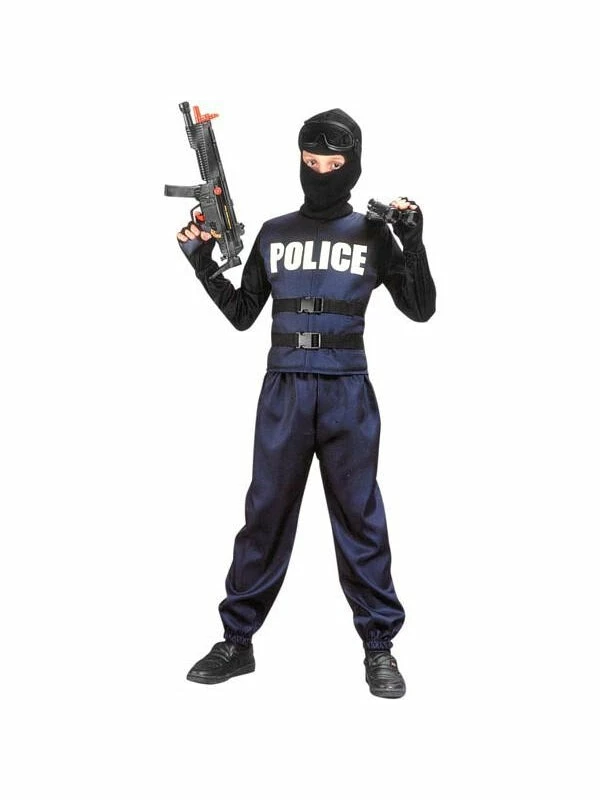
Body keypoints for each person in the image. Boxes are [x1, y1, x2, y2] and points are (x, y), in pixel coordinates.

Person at [175, 108, 436, 698]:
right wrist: (204, 268)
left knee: (360, 519)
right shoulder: (273, 233)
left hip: (347, 392)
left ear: (353, 166)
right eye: (310, 162)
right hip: (284, 392)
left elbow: (420, 309)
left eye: (333, 164)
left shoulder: (373, 233)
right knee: (265, 515)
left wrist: (414, 243)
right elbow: (244, 315)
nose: (320, 173)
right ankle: (237, 641)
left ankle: (379, 647)